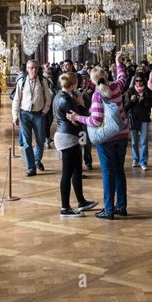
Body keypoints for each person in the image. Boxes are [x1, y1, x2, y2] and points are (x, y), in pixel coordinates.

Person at [67, 51, 129, 220]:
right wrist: (118, 62)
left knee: (108, 173)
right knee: (119, 171)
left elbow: (95, 120)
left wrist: (77, 117)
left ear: (92, 80)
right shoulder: (116, 86)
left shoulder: (97, 95)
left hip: (107, 138)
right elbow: (123, 77)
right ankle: (121, 206)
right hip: (122, 134)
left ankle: (109, 209)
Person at [52, 72, 97, 217]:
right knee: (67, 173)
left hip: (70, 135)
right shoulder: (65, 100)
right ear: (73, 84)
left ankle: (81, 201)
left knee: (77, 169)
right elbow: (83, 116)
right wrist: (81, 103)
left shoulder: (62, 96)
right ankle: (65, 208)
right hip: (67, 137)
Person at [11, 59, 52, 176]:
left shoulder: (43, 81)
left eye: (35, 67)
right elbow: (16, 100)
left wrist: (45, 111)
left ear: (38, 69)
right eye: (31, 68)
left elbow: (48, 98)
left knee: (40, 140)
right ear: (27, 69)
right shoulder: (22, 82)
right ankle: (31, 168)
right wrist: (15, 116)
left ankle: (37, 160)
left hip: (39, 114)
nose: (33, 70)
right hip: (24, 114)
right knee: (26, 142)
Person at [124, 74, 152, 170]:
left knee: (144, 141)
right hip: (133, 118)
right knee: (134, 141)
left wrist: (144, 100)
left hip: (144, 118)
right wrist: (131, 100)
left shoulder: (148, 91)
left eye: (140, 80)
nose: (139, 82)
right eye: (137, 81)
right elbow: (125, 107)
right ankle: (135, 159)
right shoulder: (130, 91)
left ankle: (143, 161)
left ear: (144, 81)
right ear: (134, 82)